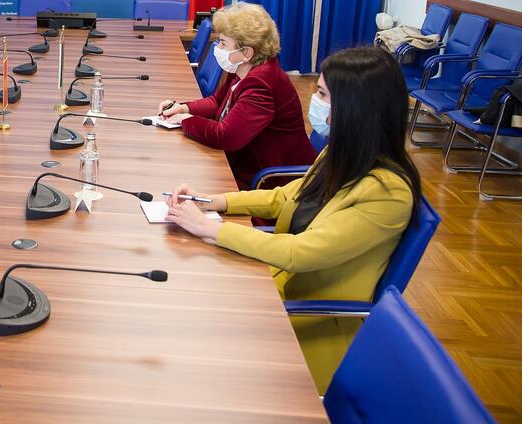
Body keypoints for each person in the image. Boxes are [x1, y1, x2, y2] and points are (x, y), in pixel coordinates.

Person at [163, 46, 421, 393]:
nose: (314, 100)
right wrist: (210, 201)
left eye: (323, 94)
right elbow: (283, 197)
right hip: (277, 286)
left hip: (305, 319)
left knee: (191, 335)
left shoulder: (387, 193)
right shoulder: (343, 152)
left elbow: (301, 252)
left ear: (355, 108)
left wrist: (209, 228)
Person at [157, 2, 316, 188]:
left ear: (247, 52)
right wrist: (184, 108)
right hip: (245, 163)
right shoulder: (243, 68)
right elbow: (217, 101)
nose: (218, 47)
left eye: (223, 43)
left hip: (273, 181)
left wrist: (186, 121)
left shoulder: (262, 83)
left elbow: (226, 137)